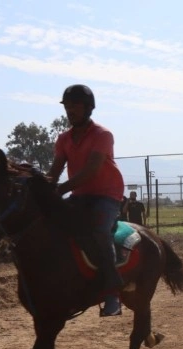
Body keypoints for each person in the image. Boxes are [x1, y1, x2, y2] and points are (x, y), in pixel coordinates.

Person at [47, 84, 124, 317]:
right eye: (67, 107)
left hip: (106, 195)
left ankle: (113, 292)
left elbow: (91, 170)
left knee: (99, 231)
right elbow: (55, 170)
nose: (70, 111)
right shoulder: (63, 139)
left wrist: (61, 189)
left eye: (75, 106)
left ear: (88, 108)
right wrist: (42, 187)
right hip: (80, 195)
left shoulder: (103, 135)